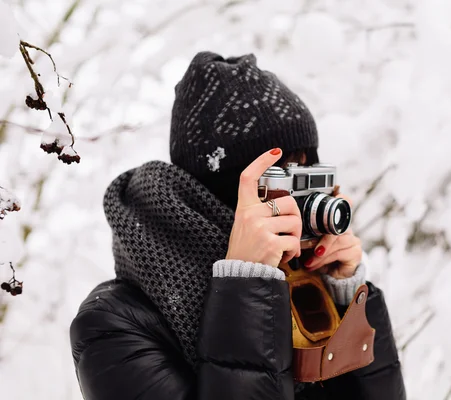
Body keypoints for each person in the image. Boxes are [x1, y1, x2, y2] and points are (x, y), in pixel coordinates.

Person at [69, 52, 406, 400]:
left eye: (309, 175)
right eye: (285, 178)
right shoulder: (112, 326)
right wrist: (245, 286)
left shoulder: (305, 280)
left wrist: (346, 302)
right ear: (224, 189)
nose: (301, 200)